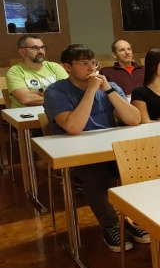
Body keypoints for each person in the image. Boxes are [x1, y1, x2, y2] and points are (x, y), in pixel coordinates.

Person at [43, 44, 146, 253]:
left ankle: (135, 218)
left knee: (142, 162)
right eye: (84, 63)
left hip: (110, 150)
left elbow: (135, 119)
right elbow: (73, 127)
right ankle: (110, 225)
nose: (91, 68)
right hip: (77, 156)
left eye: (93, 63)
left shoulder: (110, 86)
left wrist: (107, 89)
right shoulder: (56, 92)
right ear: (67, 67)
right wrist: (91, 90)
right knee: (93, 170)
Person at [6, 35, 67, 108]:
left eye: (42, 47)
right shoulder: (15, 72)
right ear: (22, 52)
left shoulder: (55, 67)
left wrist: (34, 92)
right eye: (35, 48)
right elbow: (26, 99)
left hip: (56, 111)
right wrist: (58, 96)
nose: (41, 51)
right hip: (26, 113)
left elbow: (69, 92)